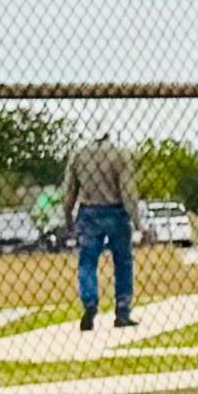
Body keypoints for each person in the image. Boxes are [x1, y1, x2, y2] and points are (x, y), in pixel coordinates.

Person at [61, 127, 137, 331]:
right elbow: (127, 189)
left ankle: (90, 302)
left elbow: (69, 190)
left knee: (87, 261)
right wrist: (136, 219)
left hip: (89, 211)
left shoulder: (79, 155)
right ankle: (122, 308)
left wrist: (68, 217)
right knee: (123, 262)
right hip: (116, 211)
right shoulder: (121, 154)